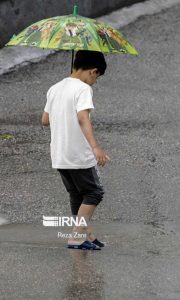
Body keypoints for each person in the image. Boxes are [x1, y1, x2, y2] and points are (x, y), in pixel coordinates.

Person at [42, 50, 110, 250]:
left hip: (59, 155)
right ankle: (76, 236)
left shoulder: (55, 88)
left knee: (77, 195)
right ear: (93, 71)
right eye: (96, 78)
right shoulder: (83, 89)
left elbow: (44, 120)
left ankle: (86, 234)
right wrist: (96, 147)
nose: (94, 82)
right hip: (78, 154)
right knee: (94, 193)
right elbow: (82, 118)